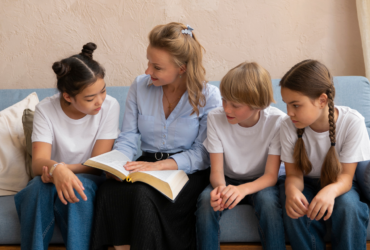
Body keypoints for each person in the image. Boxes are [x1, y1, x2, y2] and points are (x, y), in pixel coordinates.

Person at [90, 23, 221, 250]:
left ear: (181, 68)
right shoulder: (140, 86)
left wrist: (162, 166)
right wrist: (118, 165)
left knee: (142, 194)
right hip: (146, 163)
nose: (148, 71)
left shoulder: (208, 96)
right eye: (148, 61)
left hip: (187, 171)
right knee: (107, 191)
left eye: (157, 67)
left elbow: (203, 153)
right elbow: (129, 136)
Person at [14, 43, 120, 250]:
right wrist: (56, 170)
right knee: (35, 188)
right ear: (68, 97)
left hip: (88, 178)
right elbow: (38, 164)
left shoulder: (110, 106)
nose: (100, 101)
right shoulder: (45, 109)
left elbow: (98, 164)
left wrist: (61, 170)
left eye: (103, 91)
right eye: (90, 98)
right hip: (50, 177)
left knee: (78, 188)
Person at [279, 59, 370, 250]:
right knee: (296, 209)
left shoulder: (353, 122)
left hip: (338, 182)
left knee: (349, 207)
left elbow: (346, 177)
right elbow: (294, 175)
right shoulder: (288, 127)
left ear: (322, 100)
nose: (289, 112)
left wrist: (330, 191)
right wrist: (292, 191)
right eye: (286, 104)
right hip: (305, 181)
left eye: (295, 105)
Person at [195, 62, 287, 250]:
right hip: (227, 178)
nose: (227, 109)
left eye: (235, 105)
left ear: (258, 105)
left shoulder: (277, 122)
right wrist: (222, 190)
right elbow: (217, 170)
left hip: (261, 180)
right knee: (206, 201)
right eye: (224, 100)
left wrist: (242, 190)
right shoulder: (215, 118)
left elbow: (270, 176)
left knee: (268, 202)